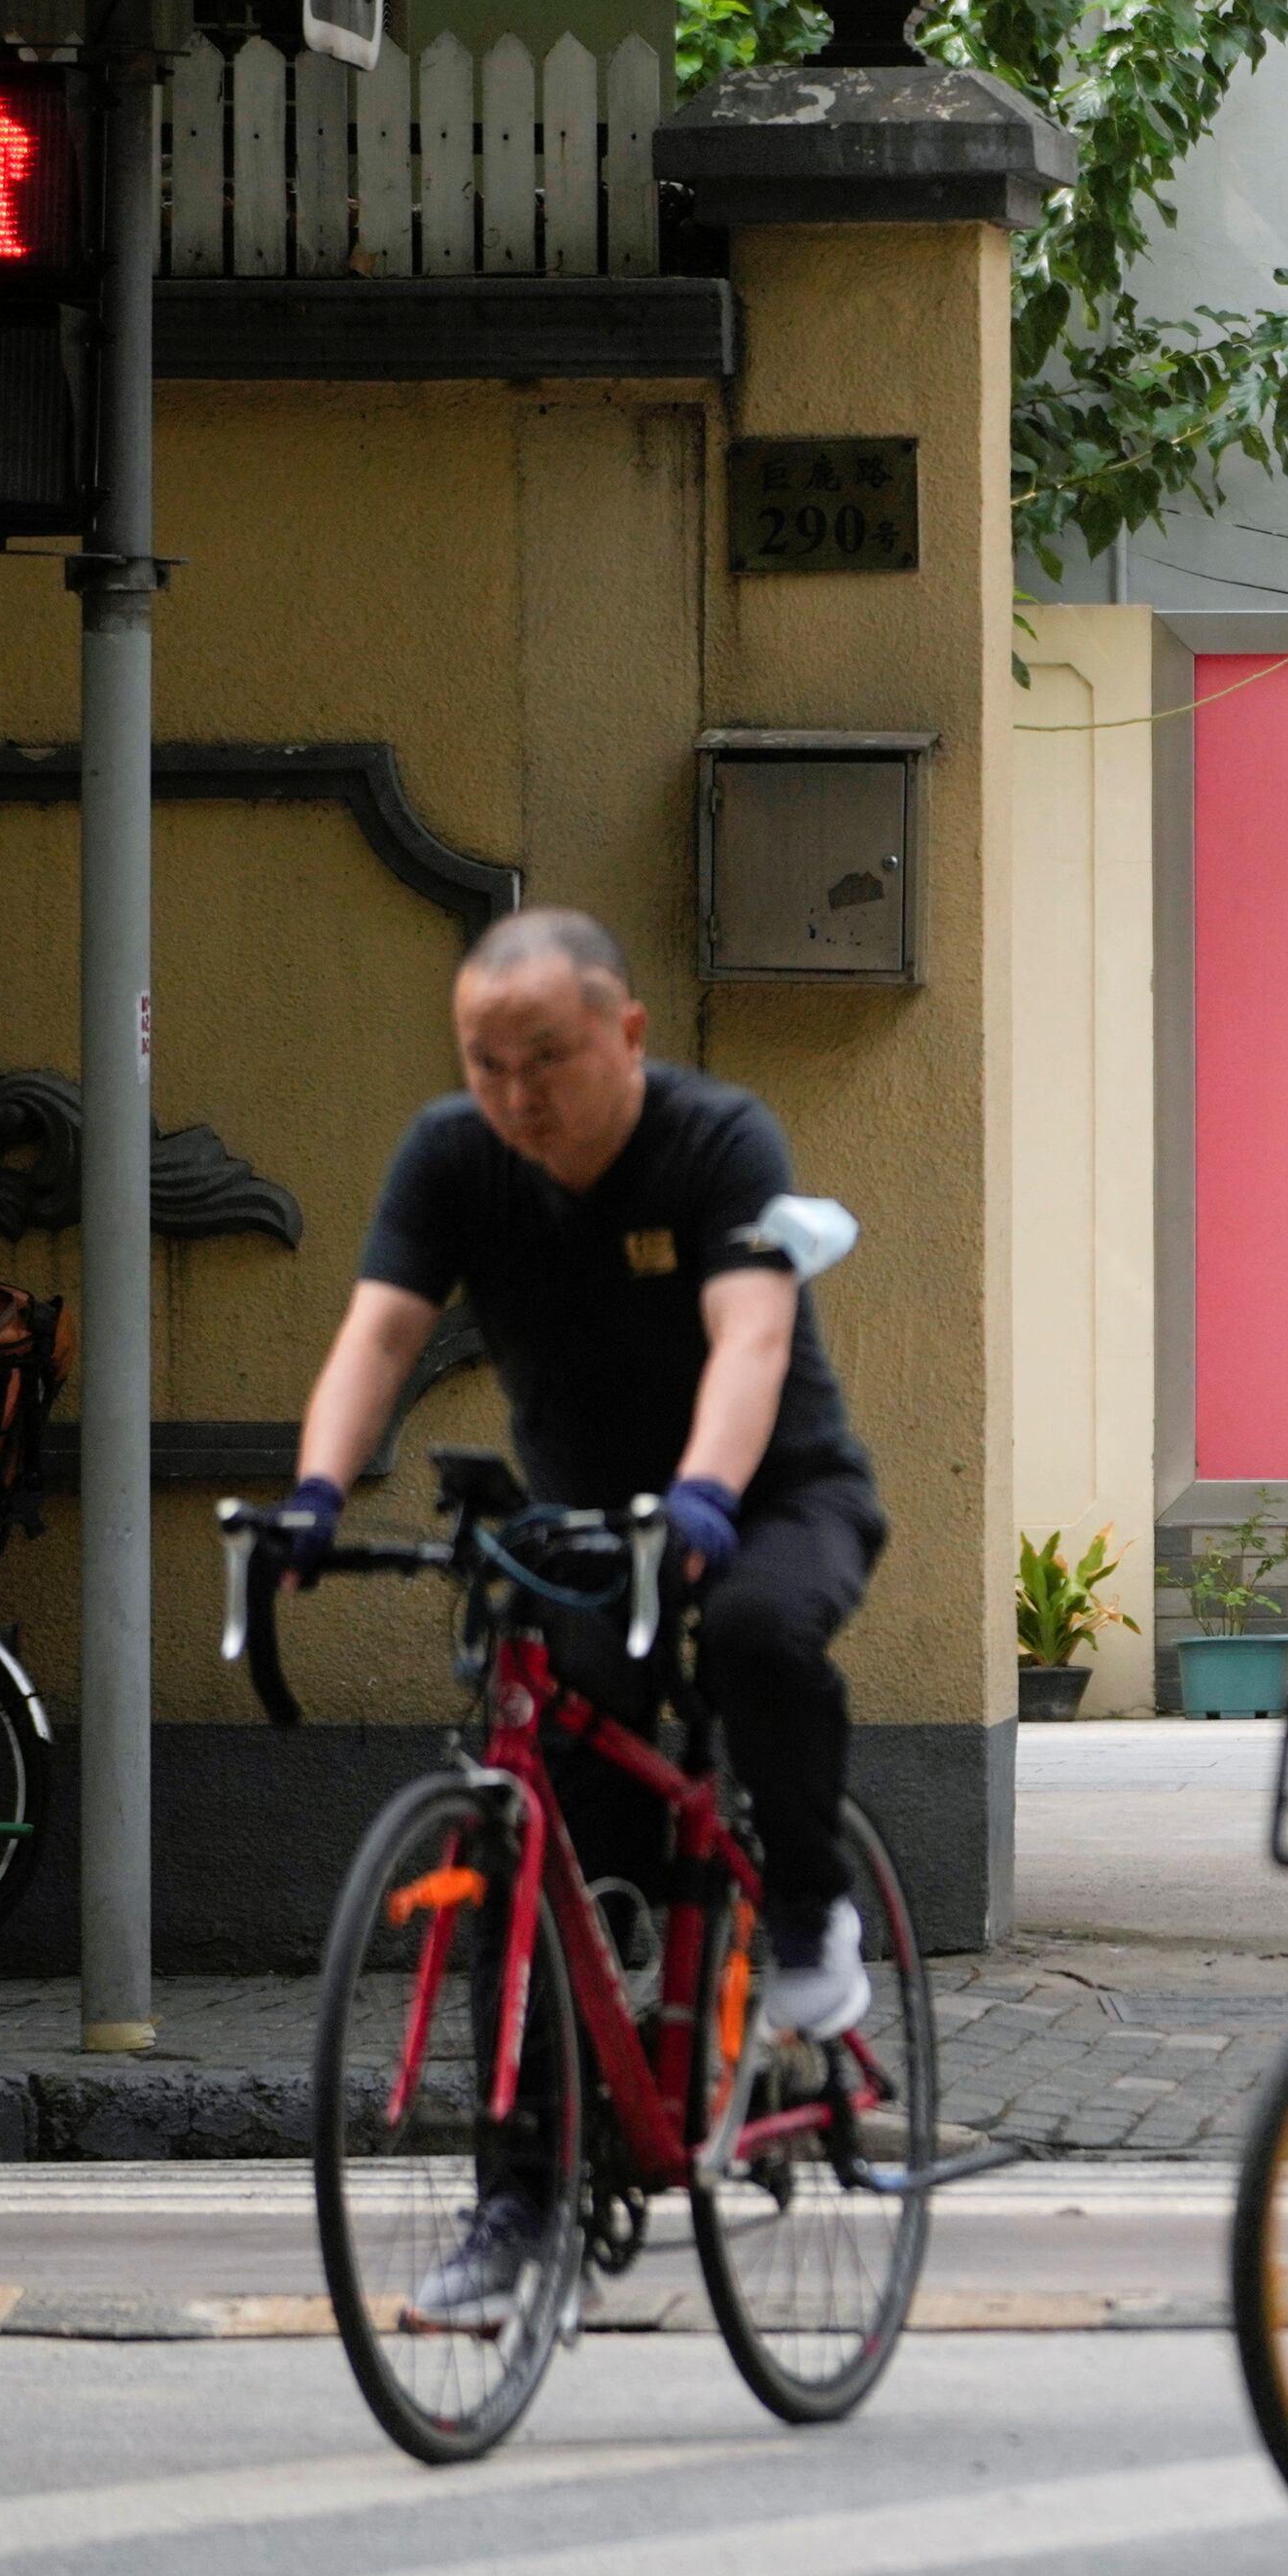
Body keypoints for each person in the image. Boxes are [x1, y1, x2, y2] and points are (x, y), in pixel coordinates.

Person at [274, 908, 888, 2321]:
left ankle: (804, 1913)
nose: (515, 1093)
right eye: (486, 1062)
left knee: (750, 1638)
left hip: (769, 1493)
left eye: (545, 1057)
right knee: (521, 1823)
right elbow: (379, 1330)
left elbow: (753, 1334)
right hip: (582, 1528)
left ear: (625, 1034)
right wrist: (313, 1486)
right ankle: (519, 2198)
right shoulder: (452, 1156)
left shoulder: (717, 1139)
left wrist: (704, 1500)